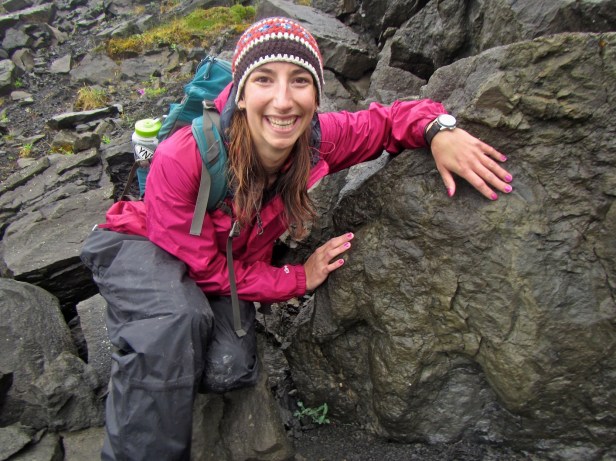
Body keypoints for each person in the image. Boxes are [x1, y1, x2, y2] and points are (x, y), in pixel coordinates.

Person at [81, 16, 513, 461]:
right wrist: (294, 278)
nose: (283, 101)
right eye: (265, 79)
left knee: (228, 367)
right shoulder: (184, 157)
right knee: (173, 324)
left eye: (300, 81)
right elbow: (204, 269)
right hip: (142, 244)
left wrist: (439, 129)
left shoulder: (316, 141)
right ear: (242, 94)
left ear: (316, 95)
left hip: (216, 265)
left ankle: (150, 338)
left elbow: (385, 122)